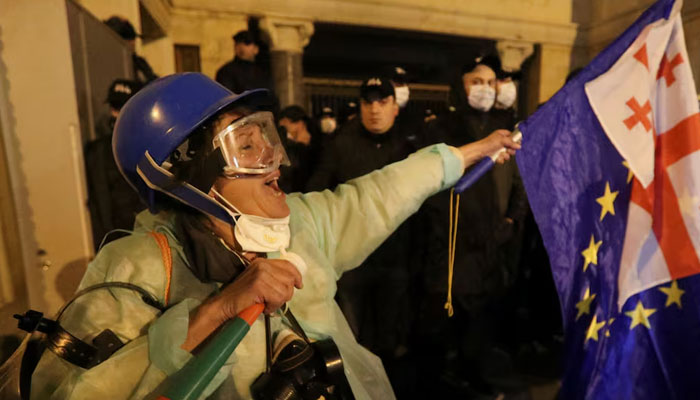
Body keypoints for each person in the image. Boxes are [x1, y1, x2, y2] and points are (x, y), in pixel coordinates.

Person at [29, 73, 518, 400]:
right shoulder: (137, 266)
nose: (272, 156)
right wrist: (217, 311)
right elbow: (67, 391)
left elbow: (378, 195)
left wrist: (465, 154)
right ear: (186, 175)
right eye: (246, 145)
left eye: (265, 135)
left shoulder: (302, 224)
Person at [415, 55, 528, 397]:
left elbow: (518, 182)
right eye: (475, 81)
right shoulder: (442, 129)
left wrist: (511, 219)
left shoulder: (507, 127)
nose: (484, 89)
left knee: (482, 321)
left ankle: (472, 371)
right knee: (445, 319)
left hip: (493, 244)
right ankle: (439, 378)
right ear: (460, 87)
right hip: (454, 244)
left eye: (490, 82)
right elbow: (429, 184)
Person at [84, 79, 145, 250]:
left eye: (124, 108)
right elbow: (98, 207)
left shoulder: (151, 147)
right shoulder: (98, 152)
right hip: (117, 245)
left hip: (149, 241)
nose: (117, 115)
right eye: (115, 108)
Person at [104, 16, 158, 84]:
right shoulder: (106, 64)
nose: (133, 43)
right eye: (128, 38)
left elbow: (153, 83)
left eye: (133, 38)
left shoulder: (140, 64)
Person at [277, 105, 319, 193]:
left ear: (299, 123)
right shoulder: (287, 143)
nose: (282, 124)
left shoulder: (317, 144)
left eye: (285, 122)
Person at [215, 30, 270, 94]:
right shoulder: (226, 71)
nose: (241, 47)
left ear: (256, 49)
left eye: (247, 44)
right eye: (238, 44)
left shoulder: (261, 71)